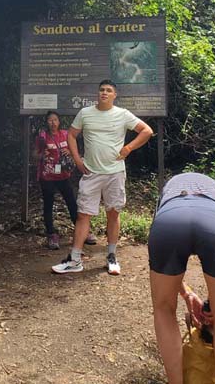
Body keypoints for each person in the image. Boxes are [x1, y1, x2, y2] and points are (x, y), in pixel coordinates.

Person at [52, 79, 153, 275]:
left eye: (108, 90)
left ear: (115, 95)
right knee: (83, 215)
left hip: (115, 172)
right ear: (97, 94)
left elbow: (146, 130)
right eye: (101, 90)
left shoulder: (122, 114)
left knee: (113, 213)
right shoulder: (85, 113)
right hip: (91, 172)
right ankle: (74, 260)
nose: (104, 93)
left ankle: (112, 256)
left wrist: (129, 148)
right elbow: (71, 135)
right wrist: (77, 160)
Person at [148, 172, 215, 384]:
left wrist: (186, 292)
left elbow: (163, 267)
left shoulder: (168, 189)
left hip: (170, 219)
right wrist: (213, 304)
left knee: (164, 308)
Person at [34, 110, 96, 250]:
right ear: (47, 122)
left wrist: (70, 152)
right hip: (47, 176)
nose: (53, 122)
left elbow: (76, 152)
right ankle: (51, 235)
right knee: (48, 205)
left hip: (63, 176)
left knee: (72, 203)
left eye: (55, 119)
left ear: (59, 121)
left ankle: (83, 233)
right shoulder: (42, 137)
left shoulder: (66, 134)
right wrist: (41, 154)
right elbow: (35, 156)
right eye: (50, 120)